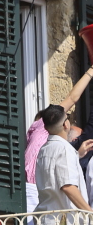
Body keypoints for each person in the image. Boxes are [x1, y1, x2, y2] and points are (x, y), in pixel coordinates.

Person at [25, 67, 93, 212]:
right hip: (34, 193)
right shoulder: (46, 130)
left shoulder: (45, 147)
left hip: (38, 197)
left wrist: (77, 154)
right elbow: (72, 98)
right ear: (64, 124)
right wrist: (91, 71)